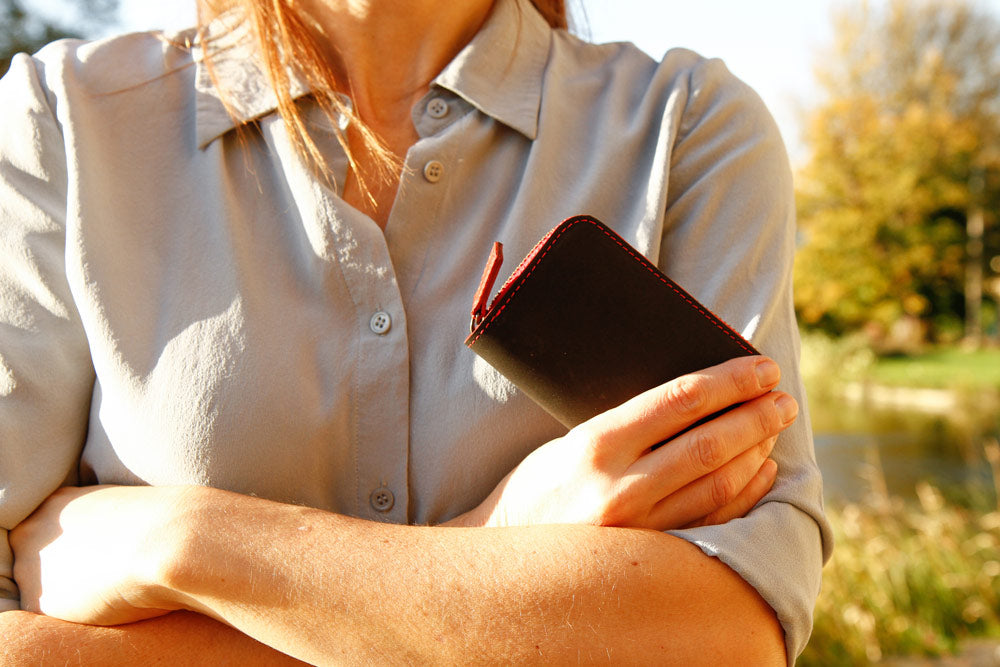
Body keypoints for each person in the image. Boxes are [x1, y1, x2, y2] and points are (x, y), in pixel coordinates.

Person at [0, 0, 832, 663]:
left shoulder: (686, 130)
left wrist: (183, 543)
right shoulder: (63, 122)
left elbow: (727, 632)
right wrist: (498, 555)